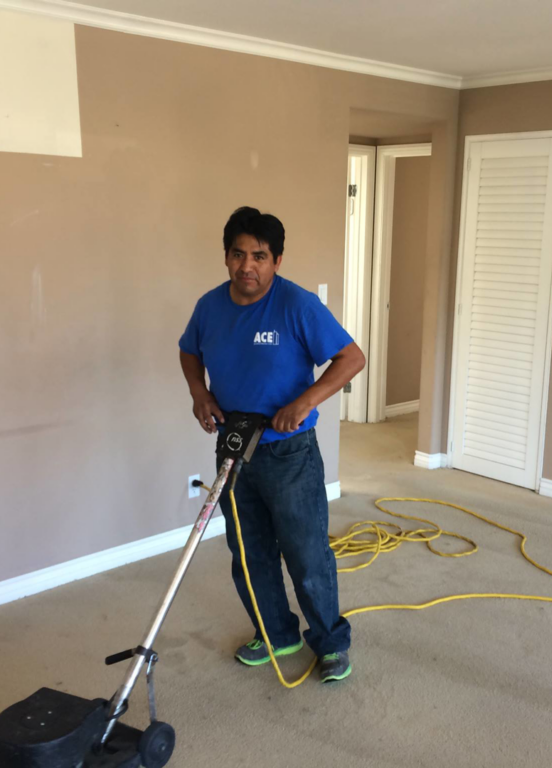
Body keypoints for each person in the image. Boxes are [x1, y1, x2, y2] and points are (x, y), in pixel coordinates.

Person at [178, 206, 366, 683]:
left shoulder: (297, 305)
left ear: (276, 261)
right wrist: (200, 393)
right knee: (249, 551)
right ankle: (276, 631)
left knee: (306, 554)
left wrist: (305, 401)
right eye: (238, 254)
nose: (248, 266)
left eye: (259, 256)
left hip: (289, 452)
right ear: (225, 257)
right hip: (234, 448)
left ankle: (329, 643)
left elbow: (351, 358)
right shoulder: (209, 307)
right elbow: (189, 349)